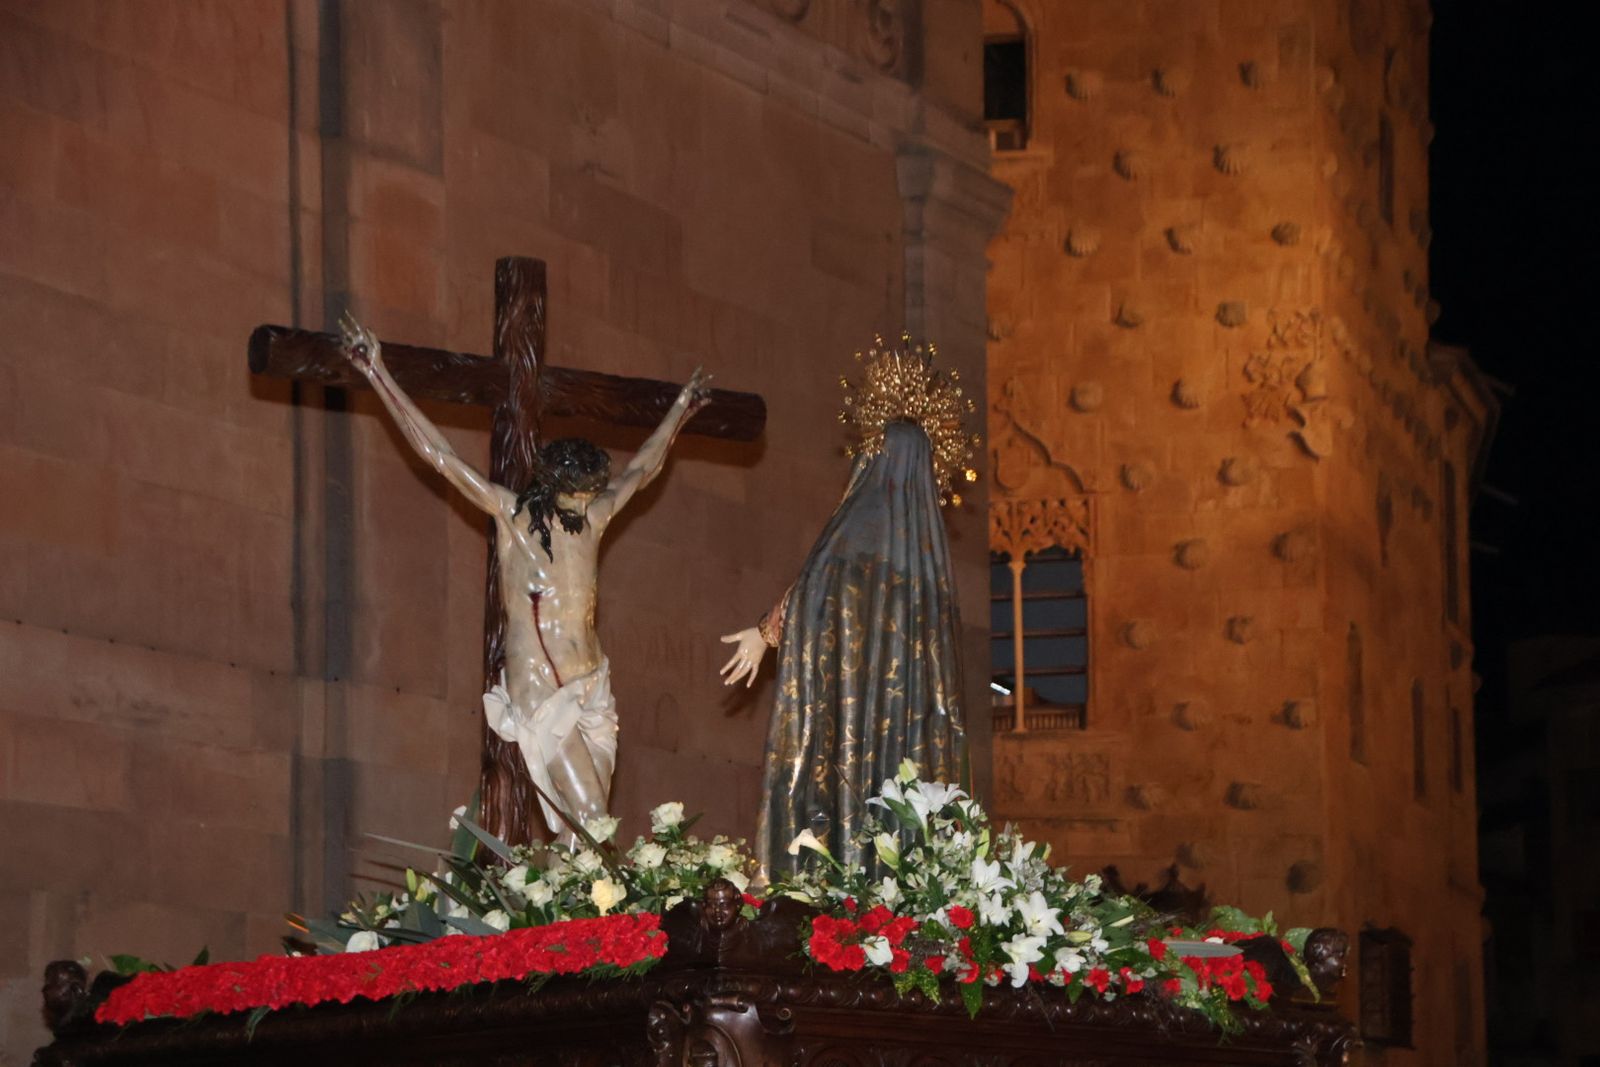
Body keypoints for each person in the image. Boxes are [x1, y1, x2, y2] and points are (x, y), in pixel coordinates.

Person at [339, 315, 710, 836]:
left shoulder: (595, 518)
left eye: (591, 493)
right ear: (553, 486)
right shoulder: (512, 518)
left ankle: (558, 918)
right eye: (577, 495)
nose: (587, 503)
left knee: (579, 837)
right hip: (542, 690)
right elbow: (440, 458)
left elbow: (641, 471)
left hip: (593, 685)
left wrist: (681, 410)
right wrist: (377, 373)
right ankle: (598, 918)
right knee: (593, 822)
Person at [719, 340, 974, 879]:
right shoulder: (932, 581)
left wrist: (764, 635)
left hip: (848, 726)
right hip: (904, 734)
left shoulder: (849, 548)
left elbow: (812, 591)